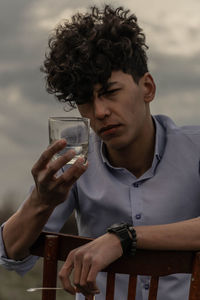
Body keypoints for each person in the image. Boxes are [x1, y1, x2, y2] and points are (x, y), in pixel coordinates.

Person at [1, 4, 200, 300]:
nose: (100, 112)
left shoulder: (195, 147)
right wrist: (40, 202)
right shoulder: (75, 157)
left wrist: (124, 238)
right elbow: (11, 253)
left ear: (147, 88)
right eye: (85, 100)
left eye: (110, 92)